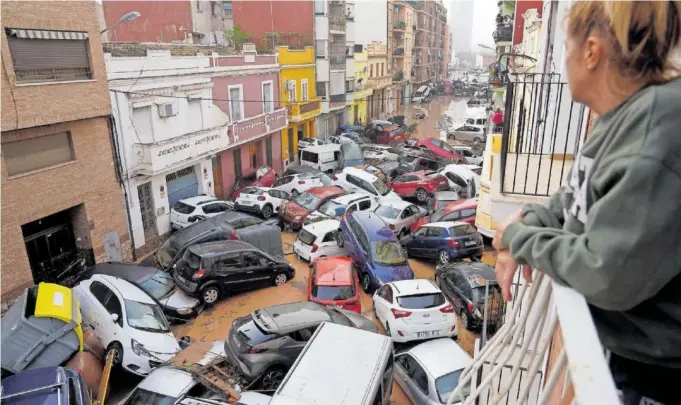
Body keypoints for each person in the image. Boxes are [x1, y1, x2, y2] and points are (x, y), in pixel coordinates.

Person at [492, 2, 681, 405]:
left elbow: (605, 273)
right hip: (629, 354)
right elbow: (572, 196)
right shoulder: (623, 117)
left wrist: (521, 239)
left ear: (591, 52)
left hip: (658, 377)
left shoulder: (655, 131)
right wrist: (525, 227)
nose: (565, 58)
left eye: (567, 46)